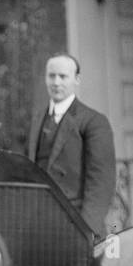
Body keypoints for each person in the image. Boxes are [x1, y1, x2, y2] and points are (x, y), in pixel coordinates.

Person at [26, 52, 116, 236]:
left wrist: (85, 229)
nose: (56, 82)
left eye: (63, 77)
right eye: (51, 76)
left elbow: (101, 183)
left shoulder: (93, 121)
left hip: (76, 223)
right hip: (41, 222)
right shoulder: (37, 119)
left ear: (77, 80)